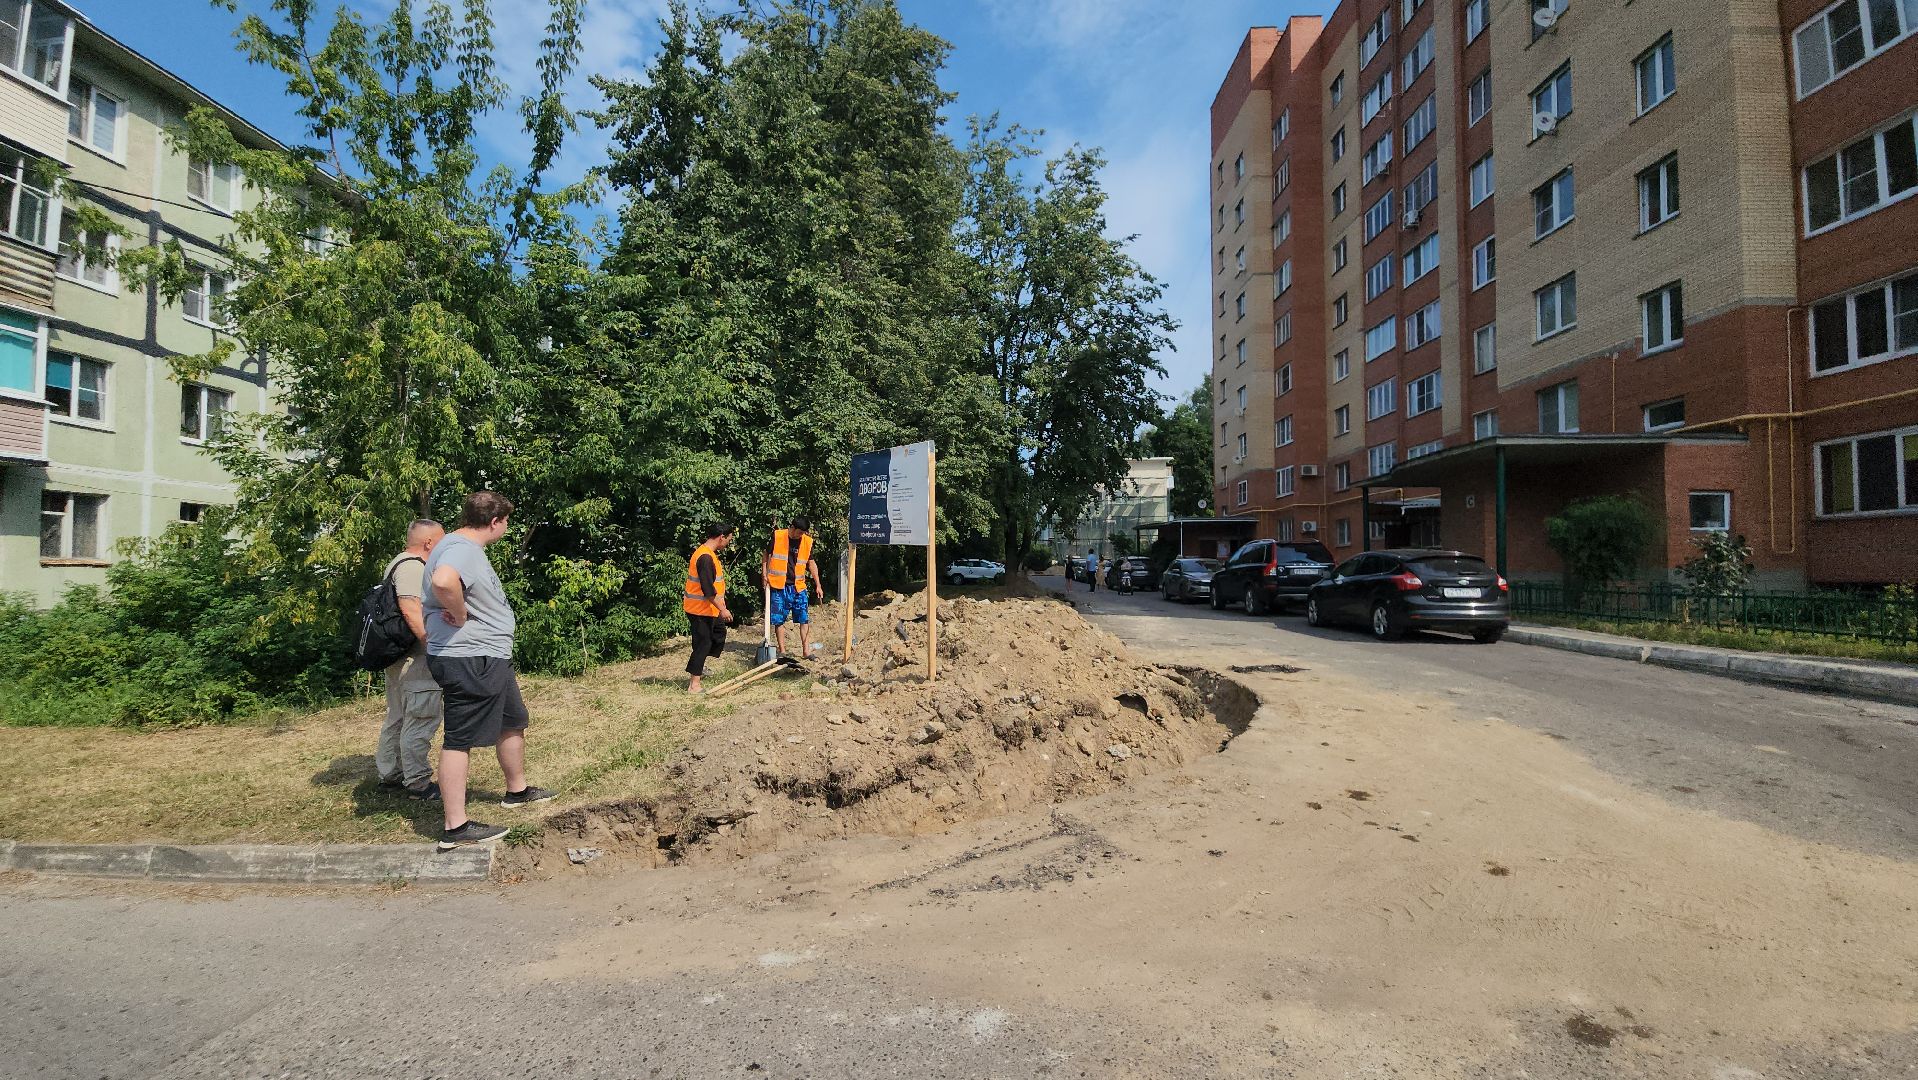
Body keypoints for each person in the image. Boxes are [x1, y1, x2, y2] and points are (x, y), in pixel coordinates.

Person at [423, 492, 556, 852]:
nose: (507, 528)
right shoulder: (462, 550)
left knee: (512, 719)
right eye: (507, 521)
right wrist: (462, 614)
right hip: (468, 659)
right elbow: (443, 581)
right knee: (459, 738)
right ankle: (456, 826)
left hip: (488, 657)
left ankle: (517, 791)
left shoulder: (455, 543)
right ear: (495, 522)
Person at [376, 518, 445, 799]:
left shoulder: (396, 563)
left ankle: (391, 773)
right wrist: (434, 647)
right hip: (414, 660)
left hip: (397, 657)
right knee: (421, 715)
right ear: (428, 543)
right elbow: (411, 610)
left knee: (399, 715)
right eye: (441, 540)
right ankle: (417, 782)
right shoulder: (413, 567)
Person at [685, 523, 736, 693]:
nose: (728, 542)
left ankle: (699, 666)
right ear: (722, 537)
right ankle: (694, 685)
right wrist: (722, 609)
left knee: (718, 634)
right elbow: (708, 590)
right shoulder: (705, 558)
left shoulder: (709, 554)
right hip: (700, 609)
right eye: (728, 539)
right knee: (703, 643)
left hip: (709, 608)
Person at [763, 516, 821, 660]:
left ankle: (806, 651)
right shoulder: (778, 536)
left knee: (804, 619)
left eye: (803, 533)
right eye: (800, 532)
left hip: (798, 586)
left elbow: (811, 563)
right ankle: (782, 651)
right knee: (779, 619)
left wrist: (818, 584)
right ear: (793, 528)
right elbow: (766, 555)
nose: (801, 535)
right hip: (778, 585)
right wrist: (764, 575)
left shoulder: (807, 542)